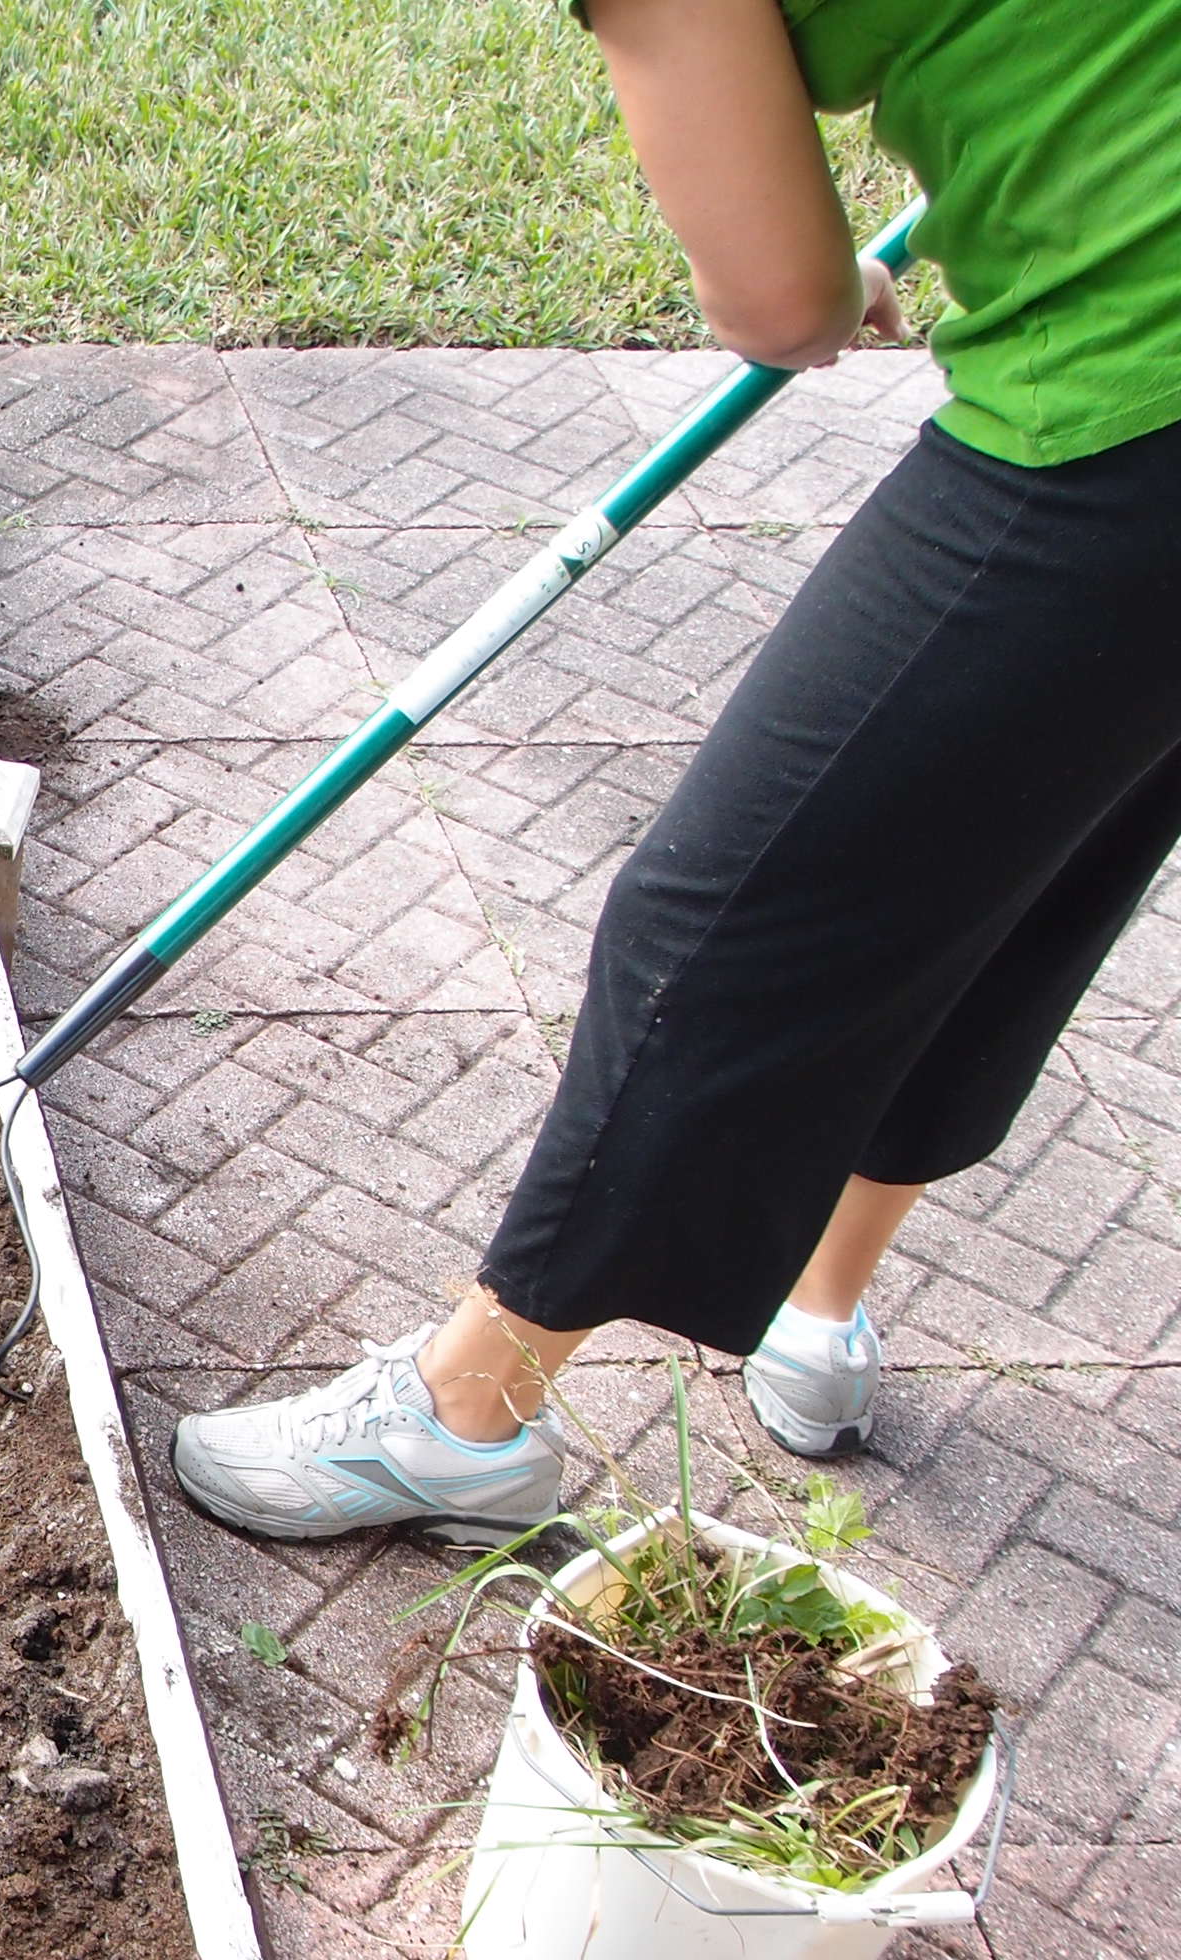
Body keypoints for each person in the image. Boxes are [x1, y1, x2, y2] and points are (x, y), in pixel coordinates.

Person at [172, 0, 1181, 1545]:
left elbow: (781, 297)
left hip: (1141, 401)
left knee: (719, 921)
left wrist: (837, 286)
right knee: (1017, 862)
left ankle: (462, 1417)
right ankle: (820, 1311)